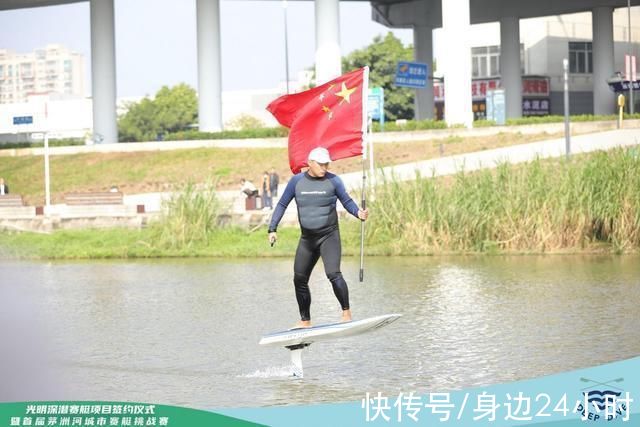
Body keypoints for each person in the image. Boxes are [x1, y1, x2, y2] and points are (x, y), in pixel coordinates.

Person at [268, 147, 369, 328]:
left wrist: (358, 213)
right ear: (310, 163)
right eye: (321, 164)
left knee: (333, 274)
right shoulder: (296, 182)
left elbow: (346, 201)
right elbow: (282, 204)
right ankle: (305, 320)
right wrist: (272, 229)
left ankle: (346, 313)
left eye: (327, 164)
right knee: (299, 279)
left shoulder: (333, 181)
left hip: (329, 236)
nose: (324, 167)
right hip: (307, 239)